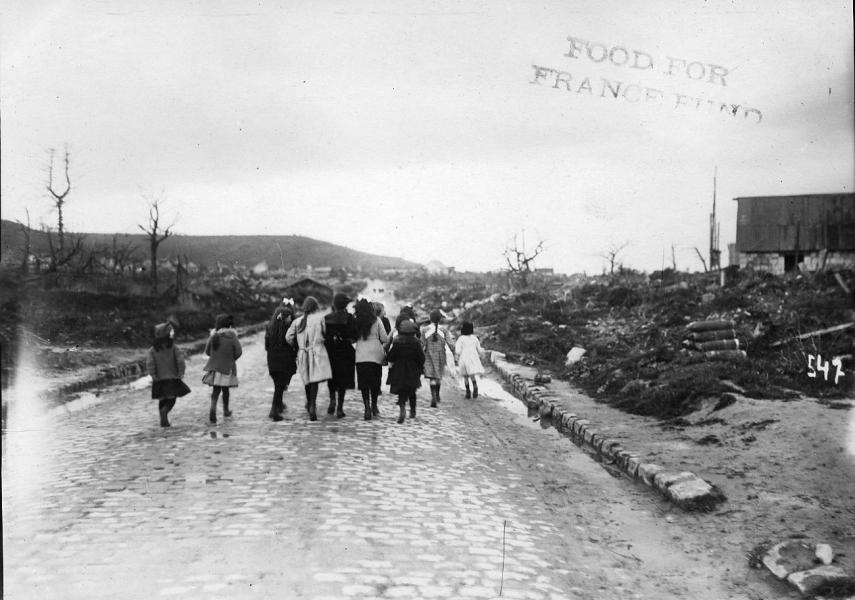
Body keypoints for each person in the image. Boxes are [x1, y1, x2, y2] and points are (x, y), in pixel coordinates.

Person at [286, 296, 332, 421]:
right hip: (316, 352)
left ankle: (309, 402)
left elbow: (288, 337)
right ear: (315, 307)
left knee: (306, 379)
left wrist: (297, 347)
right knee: (314, 380)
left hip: (302, 353)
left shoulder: (297, 321)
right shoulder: (320, 319)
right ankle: (312, 404)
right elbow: (324, 334)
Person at [146, 321, 190, 427]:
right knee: (171, 400)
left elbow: (150, 364)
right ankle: (164, 413)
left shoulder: (152, 350)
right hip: (172, 379)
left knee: (162, 399)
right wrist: (180, 373)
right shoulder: (174, 348)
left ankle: (163, 420)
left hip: (159, 380)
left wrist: (153, 375)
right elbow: (180, 361)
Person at [203, 313, 242, 423]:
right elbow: (239, 351)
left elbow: (207, 351)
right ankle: (226, 410)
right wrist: (231, 358)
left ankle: (212, 410)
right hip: (227, 369)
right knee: (225, 390)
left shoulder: (214, 336)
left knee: (216, 391)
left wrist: (215, 357)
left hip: (215, 369)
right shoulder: (232, 337)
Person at [324, 293, 357, 418]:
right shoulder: (350, 318)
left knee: (331, 377)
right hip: (345, 352)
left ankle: (332, 400)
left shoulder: (327, 318)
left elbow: (323, 335)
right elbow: (354, 336)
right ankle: (340, 408)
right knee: (343, 380)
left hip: (330, 351)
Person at [354, 298, 388, 419]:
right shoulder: (377, 320)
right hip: (376, 354)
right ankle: (374, 406)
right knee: (375, 382)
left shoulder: (356, 321)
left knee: (364, 383)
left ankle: (367, 408)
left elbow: (352, 338)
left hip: (361, 354)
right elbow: (384, 338)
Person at [386, 320, 425, 424]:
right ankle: (412, 410)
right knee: (412, 391)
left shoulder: (397, 342)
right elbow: (421, 358)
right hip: (413, 371)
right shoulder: (416, 343)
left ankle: (402, 410)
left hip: (399, 371)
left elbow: (390, 357)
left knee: (402, 392)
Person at [265, 300, 298, 421]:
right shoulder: (288, 330)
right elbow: (293, 345)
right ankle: (273, 410)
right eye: (289, 317)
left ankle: (278, 406)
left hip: (272, 361)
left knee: (278, 385)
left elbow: (266, 346)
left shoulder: (269, 328)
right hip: (285, 362)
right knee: (280, 386)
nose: (291, 319)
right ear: (284, 319)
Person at [421, 309, 455, 408]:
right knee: (438, 376)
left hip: (428, 355)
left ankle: (433, 397)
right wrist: (454, 352)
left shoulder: (424, 329)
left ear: (430, 318)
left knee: (432, 377)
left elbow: (422, 344)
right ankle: (438, 395)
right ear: (440, 319)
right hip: (441, 355)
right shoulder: (444, 330)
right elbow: (451, 344)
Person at [455, 320, 484, 399]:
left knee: (465, 376)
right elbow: (479, 349)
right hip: (472, 358)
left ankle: (468, 392)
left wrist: (457, 355)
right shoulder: (474, 338)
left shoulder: (461, 339)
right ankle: (475, 387)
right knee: (472, 375)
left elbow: (457, 350)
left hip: (464, 358)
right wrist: (482, 353)